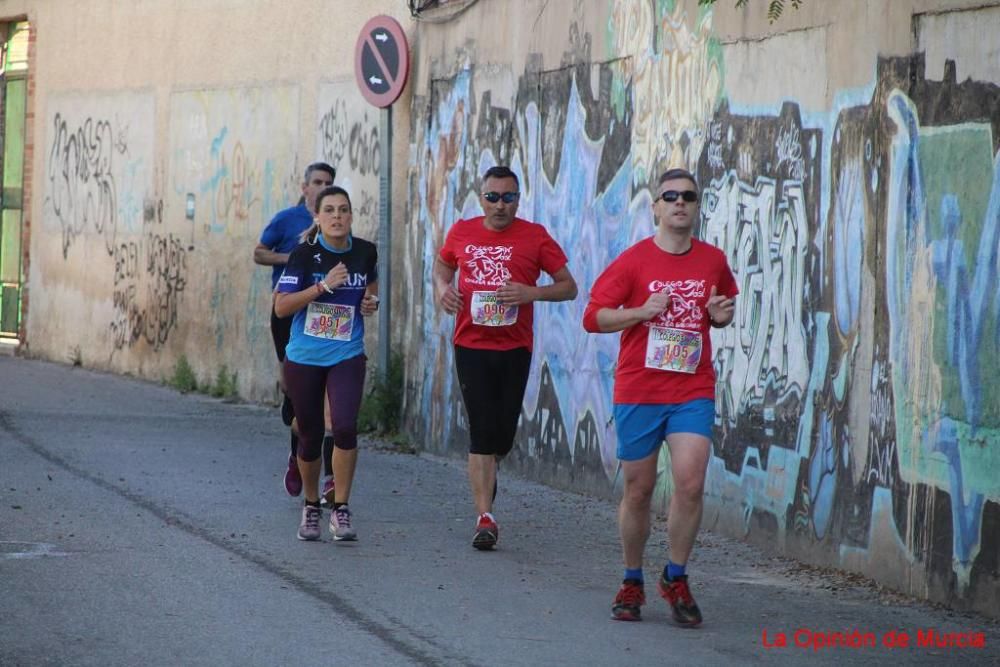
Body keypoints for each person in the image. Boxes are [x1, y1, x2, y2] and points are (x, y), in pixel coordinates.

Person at [582, 168, 737, 626]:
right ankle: (632, 577)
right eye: (670, 196)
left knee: (690, 483)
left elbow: (723, 307)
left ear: (696, 205)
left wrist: (719, 316)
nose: (680, 203)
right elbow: (594, 318)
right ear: (655, 207)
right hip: (640, 389)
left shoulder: (712, 260)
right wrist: (640, 312)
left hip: (691, 388)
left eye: (688, 196)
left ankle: (676, 575)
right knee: (640, 489)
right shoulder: (633, 262)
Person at [434, 165, 577, 550]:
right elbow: (443, 263)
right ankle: (485, 516)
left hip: (515, 348)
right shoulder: (462, 231)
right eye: (492, 197)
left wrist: (532, 293)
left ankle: (492, 464)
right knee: (480, 430)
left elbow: (569, 287)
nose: (500, 205)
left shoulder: (534, 237)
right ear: (481, 198)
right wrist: (442, 287)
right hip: (470, 344)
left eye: (508, 197)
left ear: (518, 199)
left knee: (502, 436)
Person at [273, 185, 379, 541]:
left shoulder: (364, 252)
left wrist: (370, 302)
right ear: (317, 218)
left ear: (351, 216)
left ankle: (342, 509)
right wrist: (322, 287)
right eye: (329, 210)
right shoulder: (304, 255)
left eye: (343, 210)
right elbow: (282, 307)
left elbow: (371, 287)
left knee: (345, 426)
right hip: (305, 356)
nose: (337, 216)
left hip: (346, 353)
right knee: (310, 433)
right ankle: (311, 503)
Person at [253, 162, 338, 503]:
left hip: (325, 315)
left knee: (328, 401)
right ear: (304, 188)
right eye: (316, 182)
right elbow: (258, 253)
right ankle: (298, 452)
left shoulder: (335, 221)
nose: (322, 187)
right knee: (297, 401)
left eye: (328, 183)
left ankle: (329, 476)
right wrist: (293, 258)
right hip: (288, 313)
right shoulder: (287, 220)